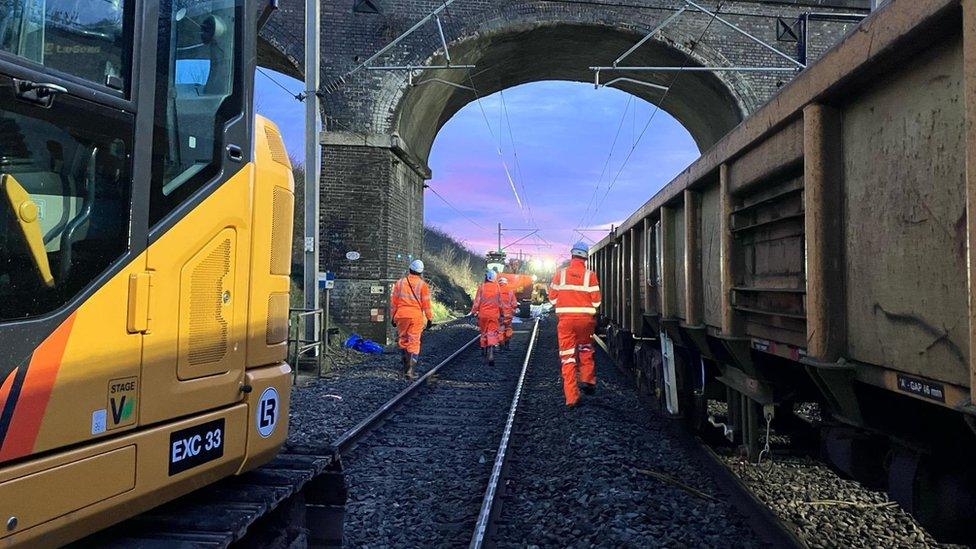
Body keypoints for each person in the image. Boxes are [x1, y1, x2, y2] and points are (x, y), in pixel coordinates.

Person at [548, 242, 602, 408]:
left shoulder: (560, 274)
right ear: (585, 256)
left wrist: (565, 304)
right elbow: (597, 301)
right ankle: (587, 379)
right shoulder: (590, 275)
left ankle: (571, 398)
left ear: (572, 255)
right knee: (585, 349)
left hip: (565, 322)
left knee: (568, 358)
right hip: (585, 321)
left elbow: (552, 299)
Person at [390, 259, 433, 379]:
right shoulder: (423, 285)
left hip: (401, 315)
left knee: (403, 340)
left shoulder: (399, 283)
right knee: (413, 342)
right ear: (421, 272)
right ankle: (410, 371)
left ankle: (404, 368)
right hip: (415, 317)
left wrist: (393, 317)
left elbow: (394, 302)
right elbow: (426, 304)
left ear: (409, 269)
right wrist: (429, 319)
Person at [471, 269, 503, 366]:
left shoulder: (482, 287)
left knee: (484, 332)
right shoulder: (497, 287)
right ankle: (491, 352)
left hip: (483, 315)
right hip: (494, 315)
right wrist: (502, 314)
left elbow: (477, 302)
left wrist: (473, 311)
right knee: (492, 333)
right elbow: (500, 303)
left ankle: (483, 349)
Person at [498, 276, 516, 349]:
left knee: (500, 330)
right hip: (508, 315)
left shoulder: (496, 291)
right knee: (508, 329)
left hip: (499, 315)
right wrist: (513, 311)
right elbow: (514, 304)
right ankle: (507, 345)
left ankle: (501, 346)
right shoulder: (510, 291)